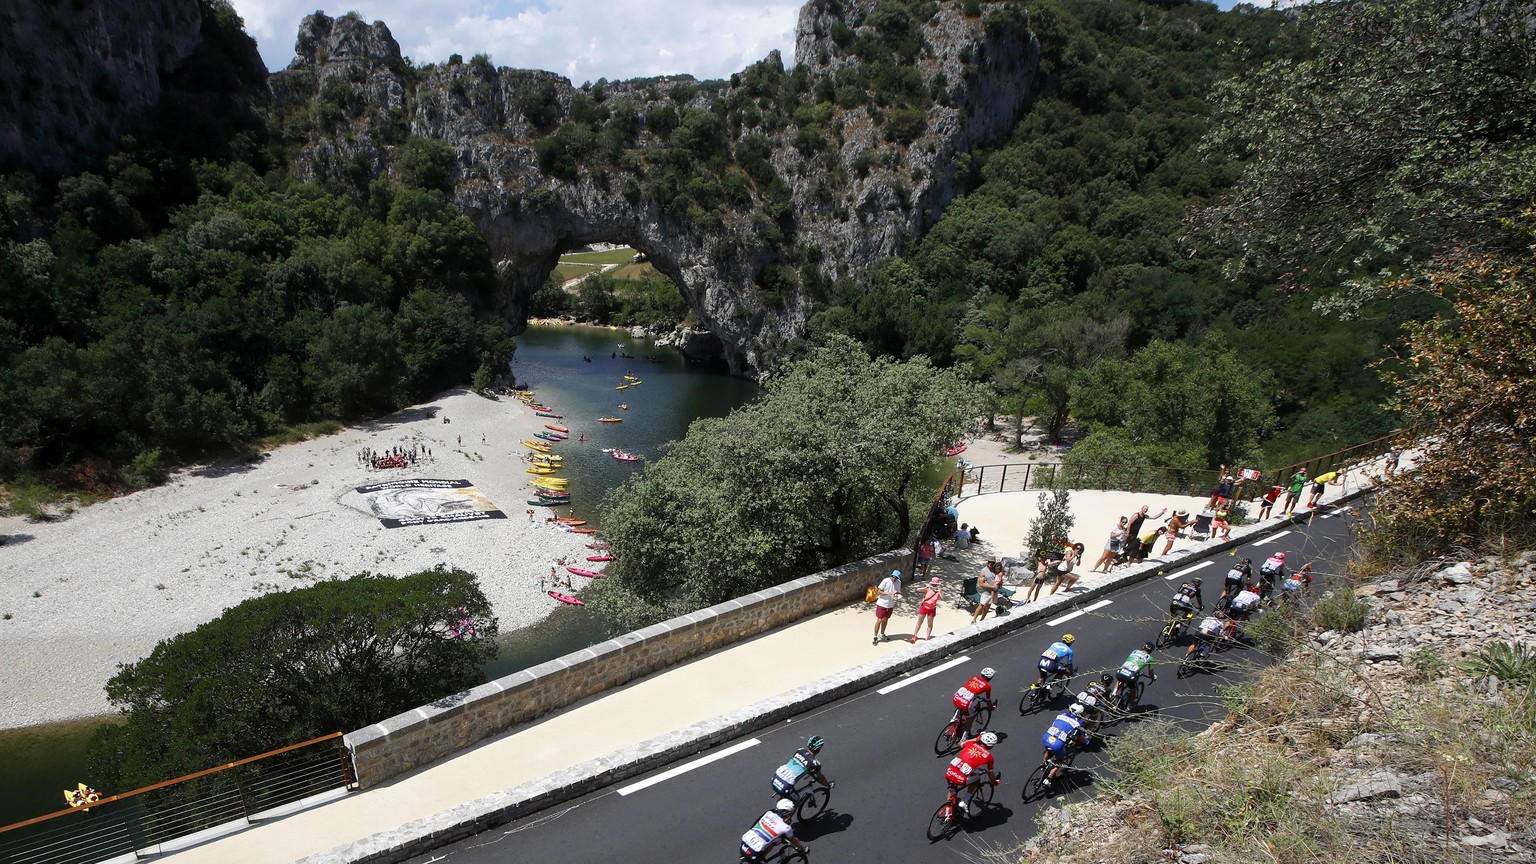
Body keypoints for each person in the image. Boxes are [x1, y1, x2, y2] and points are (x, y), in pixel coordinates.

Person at [944, 730, 1000, 817]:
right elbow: (990, 774)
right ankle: (965, 801)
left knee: (952, 791)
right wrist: (994, 781)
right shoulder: (989, 757)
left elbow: (959, 743)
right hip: (961, 779)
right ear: (991, 746)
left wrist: (975, 739)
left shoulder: (970, 744)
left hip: (949, 772)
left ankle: (948, 815)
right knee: (976, 778)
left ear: (981, 740)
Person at [772, 736, 834, 805]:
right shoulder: (815, 764)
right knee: (797, 801)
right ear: (819, 749)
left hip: (775, 777)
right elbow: (820, 777)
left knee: (787, 795)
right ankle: (784, 815)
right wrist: (828, 784)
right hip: (786, 785)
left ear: (808, 744)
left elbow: (800, 763)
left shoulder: (799, 750)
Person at [739, 799, 807, 860]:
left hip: (744, 844)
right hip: (755, 853)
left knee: (770, 845)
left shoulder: (768, 813)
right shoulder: (786, 828)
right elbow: (795, 841)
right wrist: (802, 849)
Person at [1041, 705, 1090, 787]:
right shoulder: (1078, 723)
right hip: (1058, 743)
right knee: (1060, 759)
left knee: (1048, 749)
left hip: (1047, 737)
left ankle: (1043, 763)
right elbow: (1080, 737)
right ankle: (1049, 778)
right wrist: (1086, 741)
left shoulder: (1061, 714)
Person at [951, 667, 997, 738]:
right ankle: (964, 738)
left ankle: (954, 719)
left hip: (956, 697)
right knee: (970, 718)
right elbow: (988, 700)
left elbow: (971, 690)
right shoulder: (987, 687)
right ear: (990, 678)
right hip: (965, 704)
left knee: (962, 704)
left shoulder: (974, 677)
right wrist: (991, 707)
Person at [1112, 642, 1157, 706]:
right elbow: (1150, 673)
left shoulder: (1135, 651)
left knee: (1120, 679)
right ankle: (1129, 706)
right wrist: (1153, 677)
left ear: (1143, 647)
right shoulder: (1150, 658)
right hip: (1130, 676)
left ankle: (1114, 693)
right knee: (1133, 690)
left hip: (1120, 672)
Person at [872, 568, 903, 644]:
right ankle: (875, 637)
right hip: (882, 604)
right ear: (891, 576)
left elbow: (897, 592)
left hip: (890, 605)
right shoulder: (885, 581)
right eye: (893, 577)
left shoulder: (898, 582)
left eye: (896, 578)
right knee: (879, 620)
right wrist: (890, 593)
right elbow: (879, 592)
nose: (894, 579)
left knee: (885, 620)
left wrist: (898, 595)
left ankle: (882, 634)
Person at [971, 558, 1004, 623]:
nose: (990, 563)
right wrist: (992, 587)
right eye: (989, 562)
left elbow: (1000, 580)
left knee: (987, 606)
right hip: (986, 592)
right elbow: (981, 584)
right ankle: (974, 619)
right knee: (981, 605)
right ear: (987, 562)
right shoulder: (983, 571)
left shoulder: (996, 570)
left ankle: (982, 620)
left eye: (992, 562)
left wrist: (998, 585)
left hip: (994, 592)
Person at [910, 576, 943, 642]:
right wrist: (926, 587)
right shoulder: (928, 589)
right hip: (924, 607)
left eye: (935, 585)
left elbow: (943, 598)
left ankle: (927, 637)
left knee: (930, 624)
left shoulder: (938, 592)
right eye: (933, 584)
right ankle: (915, 635)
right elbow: (918, 590)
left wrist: (940, 591)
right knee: (919, 622)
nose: (934, 586)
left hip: (932, 609)